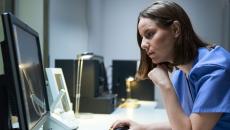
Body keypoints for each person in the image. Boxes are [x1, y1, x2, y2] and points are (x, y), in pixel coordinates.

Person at [110, 1, 230, 130]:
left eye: (149, 34)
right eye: (142, 37)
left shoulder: (215, 69)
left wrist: (165, 85)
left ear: (175, 29)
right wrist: (144, 128)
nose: (143, 44)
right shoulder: (180, 72)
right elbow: (186, 124)